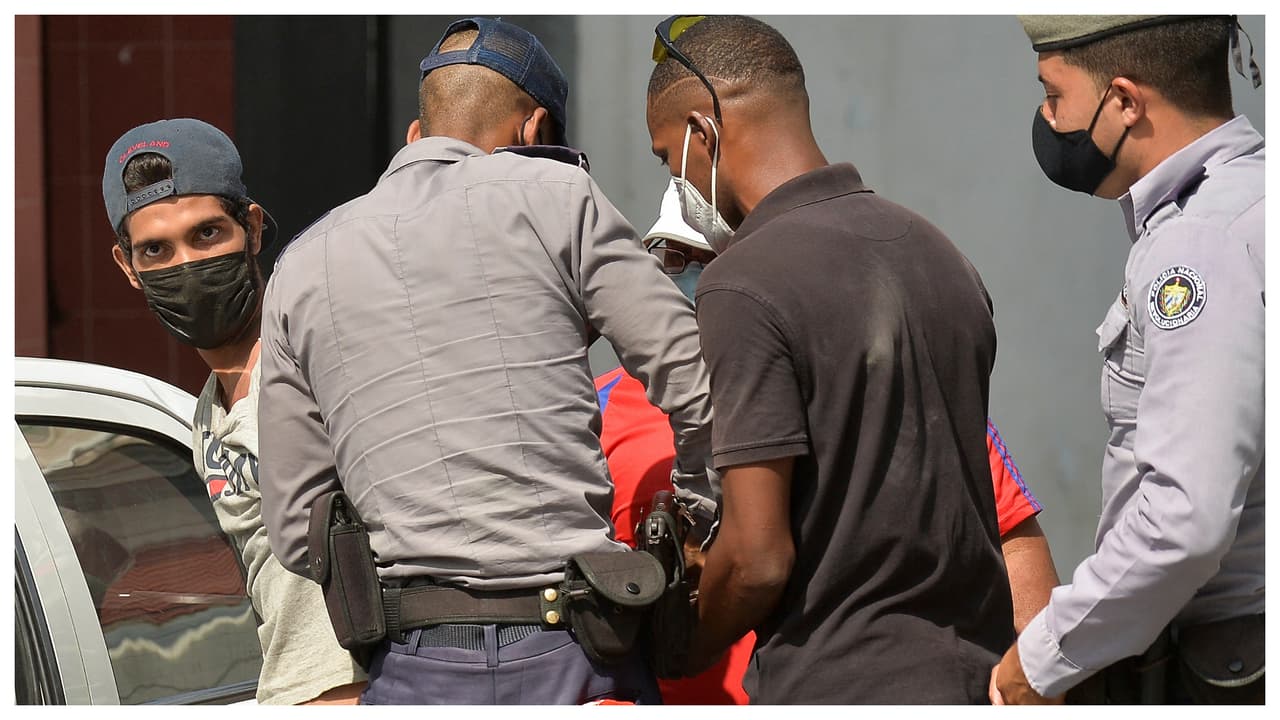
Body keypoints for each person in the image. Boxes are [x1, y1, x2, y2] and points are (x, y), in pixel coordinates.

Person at [256, 17, 716, 705]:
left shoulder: (299, 267)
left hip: (412, 666)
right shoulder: (557, 196)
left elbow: (298, 528)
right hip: (577, 653)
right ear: (534, 132)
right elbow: (698, 383)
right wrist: (698, 513)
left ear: (417, 134)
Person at [644, 15, 1016, 704]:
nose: (674, 183)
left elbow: (758, 558)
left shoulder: (742, 281)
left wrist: (675, 649)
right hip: (974, 678)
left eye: (668, 159)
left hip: (837, 682)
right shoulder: (941, 254)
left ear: (704, 133)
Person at [598, 180, 1060, 704]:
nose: (691, 275)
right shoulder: (603, 411)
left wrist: (1034, 681)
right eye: (673, 257)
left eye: (708, 257)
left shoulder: (884, 385)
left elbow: (1014, 548)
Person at [992, 15, 1264, 705]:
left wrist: (1039, 663)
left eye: (1053, 94)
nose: (1047, 119)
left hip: (1228, 664)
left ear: (1123, 101)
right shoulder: (1254, 204)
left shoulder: (1198, 244)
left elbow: (1183, 521)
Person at [100, 118, 367, 705]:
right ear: (127, 266)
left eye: (207, 234)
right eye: (155, 249)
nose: (186, 266)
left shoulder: (319, 363)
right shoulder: (206, 415)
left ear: (252, 227)